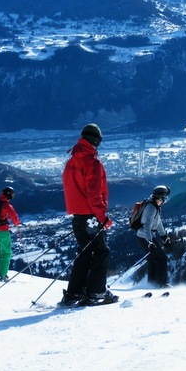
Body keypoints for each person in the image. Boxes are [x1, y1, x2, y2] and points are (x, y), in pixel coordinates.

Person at [59, 123, 117, 306]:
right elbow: (94, 194)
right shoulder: (92, 162)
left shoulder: (72, 161)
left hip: (77, 215)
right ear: (96, 140)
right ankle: (96, 291)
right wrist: (103, 217)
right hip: (91, 216)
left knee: (83, 253)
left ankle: (75, 291)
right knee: (101, 252)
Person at [136, 185, 172, 288]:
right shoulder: (151, 208)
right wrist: (150, 242)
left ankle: (151, 284)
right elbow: (147, 226)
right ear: (161, 198)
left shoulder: (155, 207)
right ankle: (161, 284)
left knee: (152, 260)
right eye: (165, 197)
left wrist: (164, 237)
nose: (165, 200)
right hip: (145, 237)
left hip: (145, 237)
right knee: (162, 259)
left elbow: (159, 223)